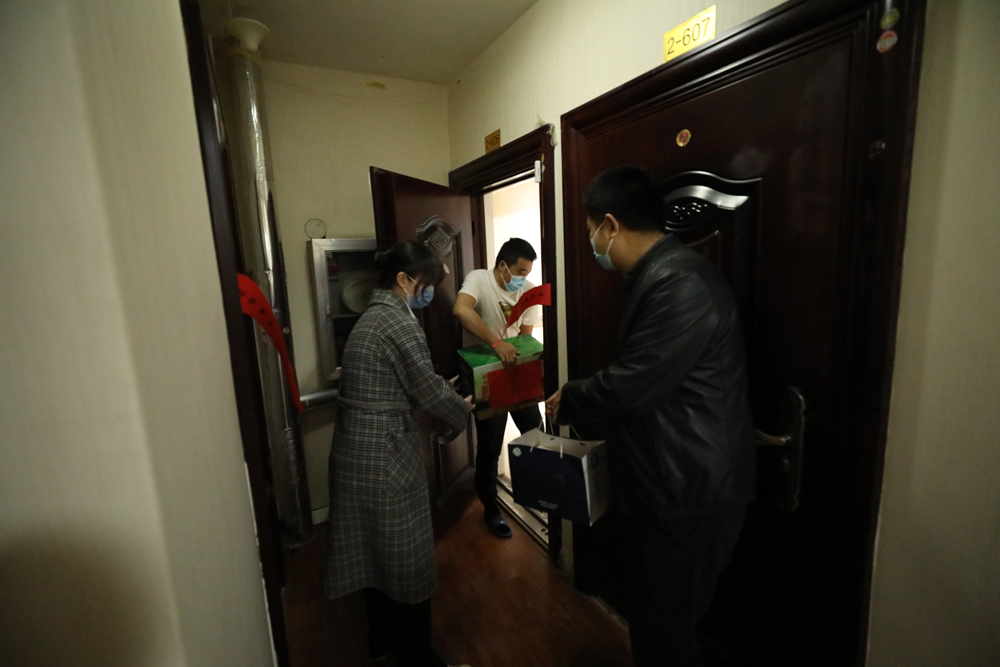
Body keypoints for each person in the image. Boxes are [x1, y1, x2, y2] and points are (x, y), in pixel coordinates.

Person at [544, 165, 754, 667]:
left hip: (689, 495)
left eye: (591, 231)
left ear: (611, 226)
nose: (592, 243)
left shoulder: (680, 282)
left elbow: (632, 385)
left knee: (663, 638)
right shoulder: (658, 275)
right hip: (672, 484)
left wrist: (568, 398)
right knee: (664, 625)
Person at [323, 241, 472, 667]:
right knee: (405, 557)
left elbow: (406, 380)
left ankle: (382, 642)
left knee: (372, 553)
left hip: (353, 451)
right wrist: (462, 409)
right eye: (426, 284)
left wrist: (440, 391)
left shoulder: (371, 317)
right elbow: (426, 389)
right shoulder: (398, 322)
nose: (429, 293)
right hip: (383, 455)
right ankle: (418, 657)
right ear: (404, 279)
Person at [452, 238, 543, 538]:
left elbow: (525, 338)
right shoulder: (479, 279)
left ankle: (538, 495)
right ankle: (490, 505)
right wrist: (496, 343)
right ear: (503, 266)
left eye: (527, 273)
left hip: (516, 375)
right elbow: (461, 310)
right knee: (490, 444)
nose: (523, 279)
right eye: (520, 271)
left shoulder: (529, 291)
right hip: (484, 375)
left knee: (536, 433)